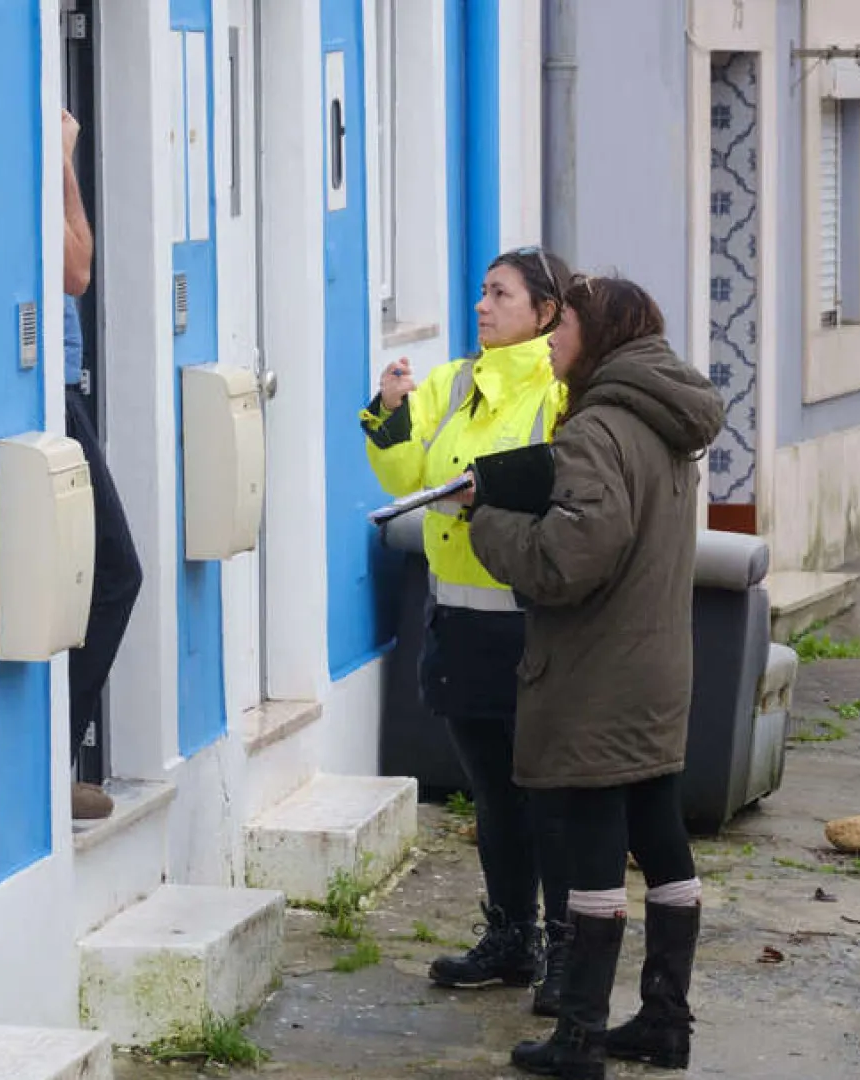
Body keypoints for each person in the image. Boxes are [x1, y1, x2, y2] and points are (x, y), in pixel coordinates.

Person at [467, 276, 725, 1078]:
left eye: (565, 323)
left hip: (594, 675)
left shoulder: (598, 428)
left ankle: (579, 1037)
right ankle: (664, 1021)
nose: (551, 339)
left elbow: (567, 561)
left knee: (590, 851)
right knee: (659, 837)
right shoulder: (667, 419)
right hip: (657, 666)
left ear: (601, 332)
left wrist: (490, 521)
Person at [359, 247, 574, 1015]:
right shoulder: (453, 381)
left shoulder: (560, 391)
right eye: (482, 292)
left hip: (530, 628)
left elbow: (565, 485)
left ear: (546, 312)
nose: (482, 306)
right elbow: (407, 472)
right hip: (457, 620)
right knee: (491, 795)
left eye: (502, 294)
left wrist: (488, 498)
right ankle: (512, 938)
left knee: (546, 796)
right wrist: (388, 413)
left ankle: (563, 952)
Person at [61, 107, 143, 822]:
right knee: (116, 571)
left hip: (56, 388)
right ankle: (50, 761)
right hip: (44, 394)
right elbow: (77, 268)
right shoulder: (35, 149)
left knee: (95, 575)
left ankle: (52, 760)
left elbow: (78, 258)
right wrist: (60, 160)